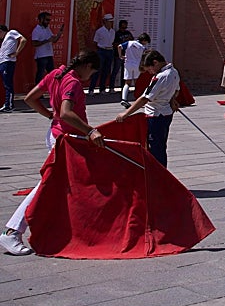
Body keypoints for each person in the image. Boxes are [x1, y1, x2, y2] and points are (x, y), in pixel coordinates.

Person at [1, 51, 104, 256]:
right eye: (92, 72)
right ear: (87, 65)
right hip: (64, 139)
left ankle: (62, 227)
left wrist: (49, 115)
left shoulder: (57, 74)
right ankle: (12, 230)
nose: (90, 77)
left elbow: (31, 98)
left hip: (56, 134)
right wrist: (90, 131)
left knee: (61, 184)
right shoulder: (73, 83)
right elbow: (66, 112)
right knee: (46, 185)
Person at [114, 49, 179, 167]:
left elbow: (145, 98)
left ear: (155, 62)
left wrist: (126, 113)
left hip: (155, 114)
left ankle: (158, 175)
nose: (150, 72)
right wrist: (172, 99)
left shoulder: (160, 77)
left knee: (155, 148)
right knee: (160, 145)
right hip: (166, 113)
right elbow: (176, 90)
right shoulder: (174, 72)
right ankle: (160, 173)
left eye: (150, 69)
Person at [119, 33, 151, 107]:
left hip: (128, 64)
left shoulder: (129, 43)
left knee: (127, 82)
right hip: (137, 65)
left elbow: (119, 46)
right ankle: (139, 99)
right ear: (144, 40)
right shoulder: (142, 48)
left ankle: (124, 99)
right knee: (137, 82)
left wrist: (121, 55)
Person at [0, 25, 27, 113]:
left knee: (8, 84)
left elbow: (23, 40)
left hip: (8, 62)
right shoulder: (5, 40)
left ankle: (9, 105)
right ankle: (7, 103)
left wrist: (17, 53)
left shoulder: (11, 32)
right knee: (5, 83)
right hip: (3, 62)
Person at [31, 11, 64, 81]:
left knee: (52, 73)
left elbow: (54, 40)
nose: (49, 22)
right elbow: (34, 43)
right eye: (47, 20)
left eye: (49, 20)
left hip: (49, 54)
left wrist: (59, 34)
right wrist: (47, 40)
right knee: (40, 73)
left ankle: (51, 89)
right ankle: (37, 89)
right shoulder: (36, 30)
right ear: (41, 19)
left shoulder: (47, 29)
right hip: (41, 56)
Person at [90, 14, 116, 95]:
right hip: (101, 50)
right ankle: (91, 89)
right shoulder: (99, 31)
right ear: (105, 21)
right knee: (97, 70)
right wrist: (96, 52)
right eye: (109, 21)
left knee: (106, 71)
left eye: (111, 22)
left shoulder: (112, 31)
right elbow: (95, 42)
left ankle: (102, 89)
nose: (110, 23)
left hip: (110, 50)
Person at [111, 19, 133, 93]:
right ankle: (111, 87)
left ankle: (123, 87)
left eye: (125, 26)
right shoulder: (117, 34)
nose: (125, 28)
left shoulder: (128, 33)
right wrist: (122, 43)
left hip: (126, 55)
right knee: (115, 71)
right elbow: (114, 44)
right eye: (123, 26)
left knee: (125, 72)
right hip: (118, 55)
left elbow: (132, 42)